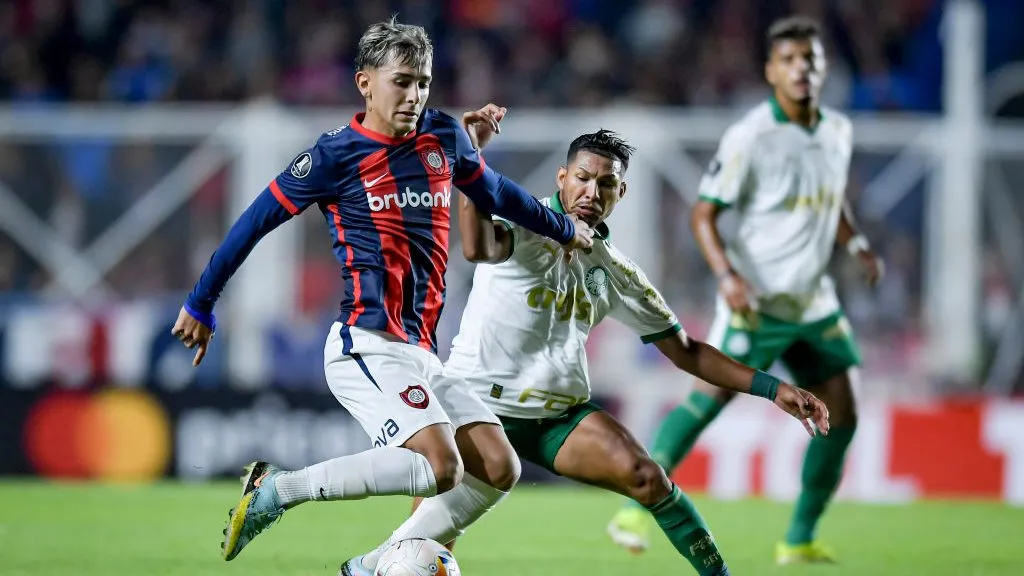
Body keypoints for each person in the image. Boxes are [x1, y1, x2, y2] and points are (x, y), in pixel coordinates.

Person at [170, 17, 593, 562]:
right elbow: (254, 222)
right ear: (365, 82)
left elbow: (498, 193)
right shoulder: (334, 155)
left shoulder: (443, 138)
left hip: (421, 352)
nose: (414, 94)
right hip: (364, 343)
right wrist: (201, 301)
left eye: (423, 81)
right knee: (442, 467)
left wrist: (563, 227)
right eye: (402, 80)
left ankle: (373, 566)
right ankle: (277, 491)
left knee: (498, 466)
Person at [342, 120, 831, 576]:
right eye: (582, 177)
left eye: (606, 184)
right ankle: (364, 563)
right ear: (563, 176)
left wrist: (772, 388)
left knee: (648, 477)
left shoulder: (616, 271)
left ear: (621, 193)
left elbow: (687, 351)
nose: (591, 192)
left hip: (560, 417)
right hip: (475, 410)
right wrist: (471, 162)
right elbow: (476, 246)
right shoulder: (524, 223)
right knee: (417, 554)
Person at [608, 16, 884, 565]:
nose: (802, 69)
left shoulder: (837, 131)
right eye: (790, 60)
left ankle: (799, 537)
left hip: (814, 300)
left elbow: (832, 204)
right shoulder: (751, 136)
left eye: (811, 59)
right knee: (708, 399)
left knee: (844, 413)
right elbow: (705, 213)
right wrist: (728, 276)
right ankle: (635, 508)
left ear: (823, 68)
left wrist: (855, 246)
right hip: (757, 300)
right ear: (771, 71)